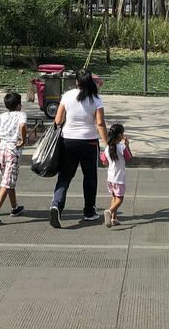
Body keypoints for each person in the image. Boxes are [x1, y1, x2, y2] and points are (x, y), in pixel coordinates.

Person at [50, 72, 107, 228]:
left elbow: (58, 120)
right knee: (90, 177)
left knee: (65, 176)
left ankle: (56, 205)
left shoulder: (68, 95)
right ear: (91, 81)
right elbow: (100, 124)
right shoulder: (96, 99)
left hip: (68, 141)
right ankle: (89, 211)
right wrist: (107, 143)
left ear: (76, 81)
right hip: (89, 143)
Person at [0, 91, 28, 223]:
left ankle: (14, 207)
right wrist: (23, 139)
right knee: (7, 182)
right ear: (18, 105)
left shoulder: (2, 116)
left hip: (2, 150)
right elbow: (22, 126)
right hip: (12, 150)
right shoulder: (21, 115)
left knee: (8, 178)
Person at [101, 121, 132, 228]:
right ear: (119, 135)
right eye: (122, 133)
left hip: (110, 177)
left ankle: (114, 218)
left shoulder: (107, 148)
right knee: (120, 199)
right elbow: (129, 158)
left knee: (114, 197)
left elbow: (104, 162)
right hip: (119, 178)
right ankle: (109, 212)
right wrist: (127, 145)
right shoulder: (122, 147)